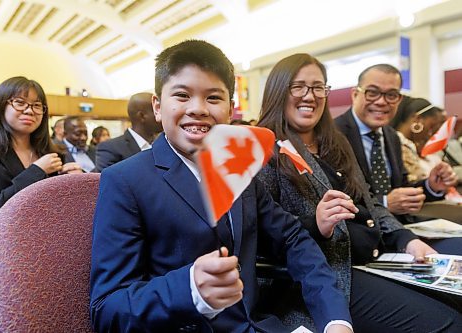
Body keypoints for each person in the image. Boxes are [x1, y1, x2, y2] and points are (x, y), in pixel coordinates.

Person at [90, 40, 353, 333]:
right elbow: (107, 309)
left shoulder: (239, 169)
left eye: (213, 98)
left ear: (230, 107)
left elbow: (292, 239)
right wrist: (189, 290)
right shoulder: (125, 180)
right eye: (182, 95)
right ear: (157, 106)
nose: (198, 109)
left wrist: (335, 319)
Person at [257, 53, 462, 332]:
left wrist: (405, 238)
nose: (310, 95)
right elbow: (258, 237)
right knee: (447, 323)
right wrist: (315, 224)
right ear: (279, 90)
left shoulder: (335, 142)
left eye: (318, 87)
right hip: (326, 275)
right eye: (298, 86)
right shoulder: (264, 149)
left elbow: (369, 201)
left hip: (372, 256)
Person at [334, 64, 458, 225]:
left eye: (391, 95)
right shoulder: (334, 134)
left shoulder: (391, 135)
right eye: (372, 93)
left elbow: (402, 187)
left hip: (399, 226)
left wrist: (431, 185)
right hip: (359, 231)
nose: (381, 101)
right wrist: (384, 203)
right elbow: (332, 195)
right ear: (355, 94)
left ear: (399, 99)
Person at [0, 76, 82, 227]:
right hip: (7, 241)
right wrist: (36, 171)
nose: (29, 111)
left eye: (37, 105)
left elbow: (69, 209)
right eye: (20, 103)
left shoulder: (55, 151)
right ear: (0, 106)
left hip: (55, 235)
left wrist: (76, 181)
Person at [95, 92, 162, 172]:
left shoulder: (164, 144)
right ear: (142, 116)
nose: (162, 116)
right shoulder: (110, 149)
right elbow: (109, 182)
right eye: (156, 111)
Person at [391, 96, 447, 182]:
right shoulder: (397, 145)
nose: (430, 133)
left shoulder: (408, 145)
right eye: (431, 126)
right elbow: (418, 179)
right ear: (417, 119)